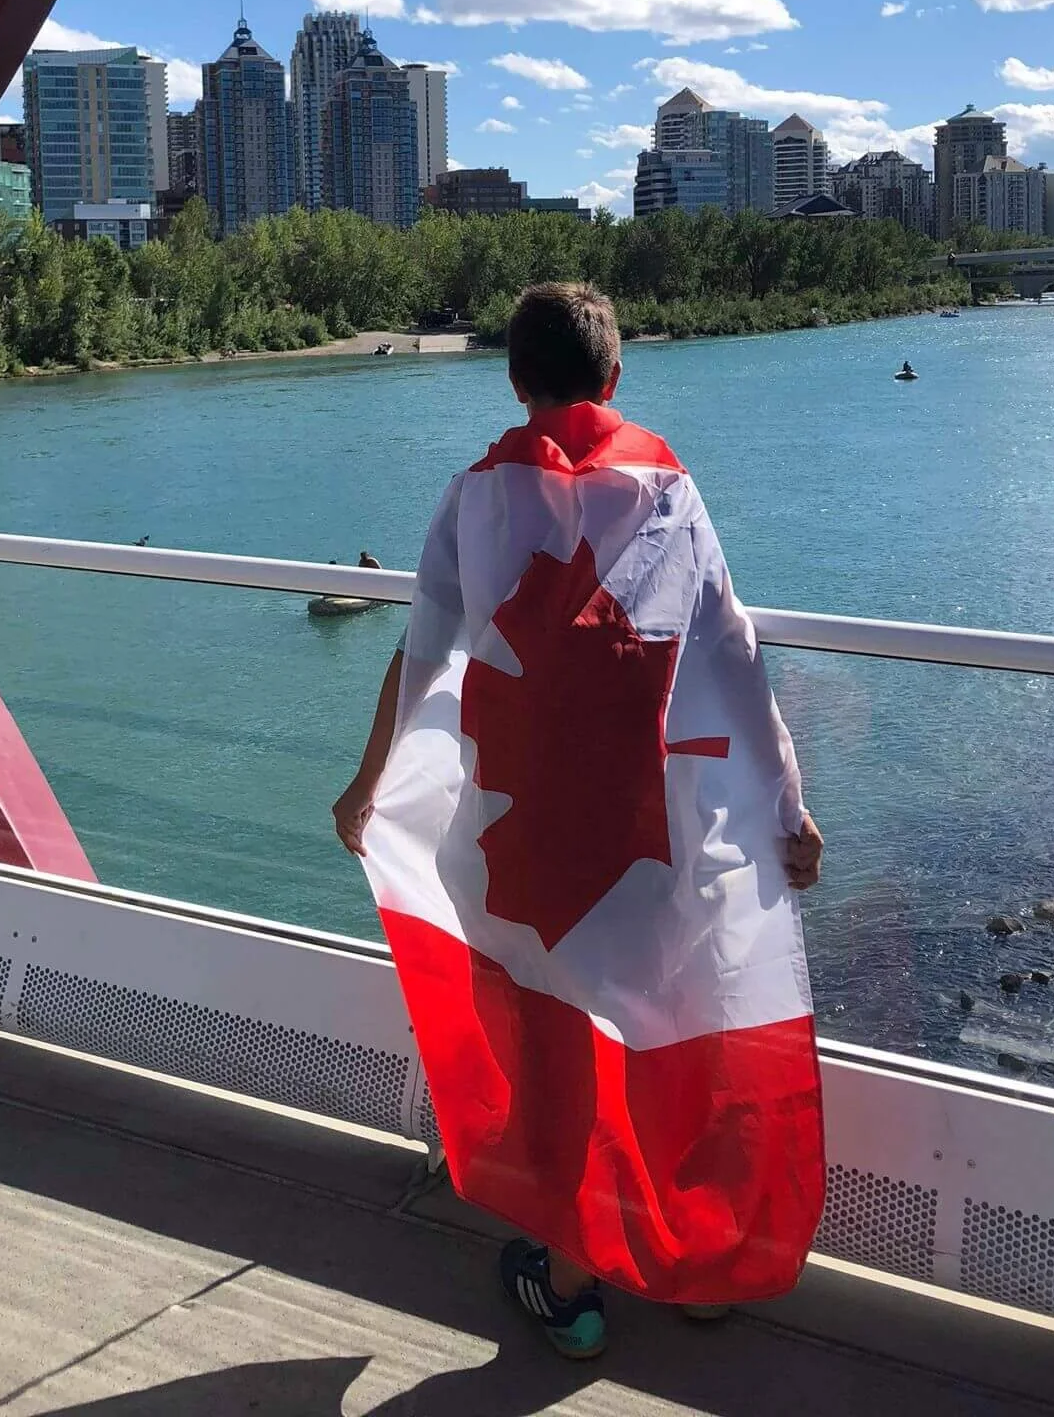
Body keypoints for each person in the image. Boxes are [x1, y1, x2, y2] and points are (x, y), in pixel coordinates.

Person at [334, 282, 824, 1360]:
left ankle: (572, 1285)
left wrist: (368, 785)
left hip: (524, 843)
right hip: (655, 831)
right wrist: (788, 803)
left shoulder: (474, 495)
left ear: (515, 380)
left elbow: (420, 658)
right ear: (615, 377)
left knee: (565, 1054)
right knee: (667, 1029)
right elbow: (733, 651)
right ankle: (695, 1264)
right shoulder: (665, 486)